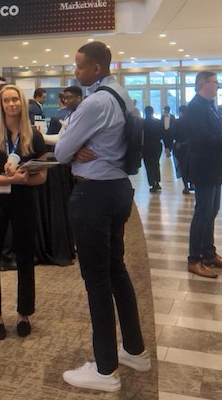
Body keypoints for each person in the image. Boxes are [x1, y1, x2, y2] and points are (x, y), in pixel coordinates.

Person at [55, 41, 150, 392]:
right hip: (118, 190)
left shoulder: (94, 102)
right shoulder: (122, 95)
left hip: (93, 194)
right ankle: (135, 350)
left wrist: (73, 143)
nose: (75, 72)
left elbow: (63, 152)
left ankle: (106, 369)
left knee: (96, 280)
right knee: (115, 270)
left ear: (95, 68)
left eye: (79, 66)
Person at [0, 84, 48, 341]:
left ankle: (24, 313)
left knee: (25, 256)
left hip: (25, 200)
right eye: (6, 100)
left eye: (15, 100)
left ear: (22, 102)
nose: (11, 104)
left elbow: (42, 176)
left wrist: (22, 181)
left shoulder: (34, 135)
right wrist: (10, 180)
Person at [184, 72, 222, 279]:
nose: (217, 86)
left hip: (214, 167)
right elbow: (201, 139)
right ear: (203, 84)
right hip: (204, 167)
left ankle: (208, 254)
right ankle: (194, 259)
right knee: (203, 213)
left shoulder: (208, 105)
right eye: (215, 82)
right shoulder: (195, 107)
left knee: (212, 211)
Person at [141, 106, 168, 193]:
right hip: (157, 145)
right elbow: (164, 134)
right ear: (152, 112)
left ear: (145, 112)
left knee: (149, 165)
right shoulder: (158, 122)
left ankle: (152, 183)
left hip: (146, 146)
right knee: (156, 163)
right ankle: (157, 182)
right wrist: (167, 146)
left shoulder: (142, 123)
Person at [171, 105, 193, 194]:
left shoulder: (177, 122)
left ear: (180, 112)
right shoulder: (191, 122)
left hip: (180, 146)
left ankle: (186, 187)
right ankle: (192, 184)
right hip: (191, 145)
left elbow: (172, 134)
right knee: (191, 165)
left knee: (183, 166)